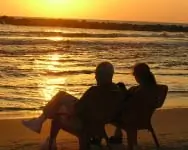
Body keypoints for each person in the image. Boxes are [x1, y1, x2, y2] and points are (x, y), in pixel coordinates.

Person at [22, 61, 124, 150]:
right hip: (99, 127)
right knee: (59, 105)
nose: (95, 77)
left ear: (103, 76)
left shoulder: (94, 91)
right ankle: (41, 123)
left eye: (97, 74)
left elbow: (78, 109)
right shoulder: (117, 91)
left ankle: (41, 124)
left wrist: (66, 109)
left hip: (85, 126)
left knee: (60, 98)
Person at [109, 63, 168, 150]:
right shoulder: (154, 89)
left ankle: (100, 138)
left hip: (131, 119)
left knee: (108, 114)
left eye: (134, 74)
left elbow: (128, 104)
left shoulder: (139, 91)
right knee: (121, 111)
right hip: (143, 119)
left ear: (139, 76)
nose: (134, 76)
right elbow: (159, 102)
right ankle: (118, 136)